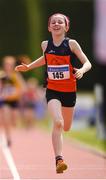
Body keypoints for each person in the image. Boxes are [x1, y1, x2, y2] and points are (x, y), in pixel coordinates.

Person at [15, 13, 92, 173]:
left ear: (66, 27)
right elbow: (45, 59)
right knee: (58, 122)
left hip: (69, 91)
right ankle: (59, 160)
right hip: (52, 90)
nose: (57, 24)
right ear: (49, 27)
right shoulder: (45, 44)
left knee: (67, 127)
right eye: (53, 22)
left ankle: (61, 145)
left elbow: (87, 62)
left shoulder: (72, 44)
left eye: (60, 22)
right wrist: (28, 67)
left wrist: (82, 70)